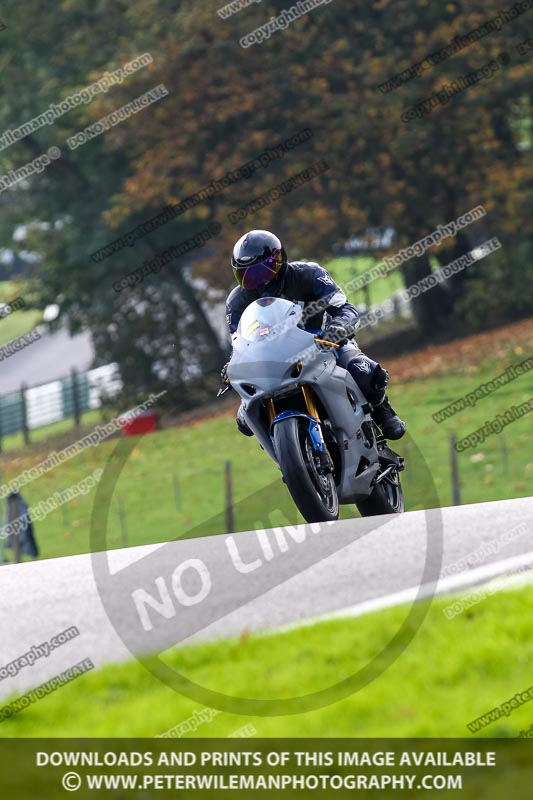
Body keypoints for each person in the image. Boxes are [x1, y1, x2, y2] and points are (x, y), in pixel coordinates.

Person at [223, 229, 405, 440]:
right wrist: (232, 365)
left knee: (363, 372)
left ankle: (383, 410)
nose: (259, 282)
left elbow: (345, 308)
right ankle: (284, 451)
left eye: (263, 272)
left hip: (324, 342)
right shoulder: (236, 302)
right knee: (245, 417)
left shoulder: (309, 274)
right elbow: (239, 343)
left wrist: (339, 327)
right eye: (247, 276)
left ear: (279, 260)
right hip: (272, 361)